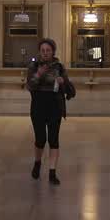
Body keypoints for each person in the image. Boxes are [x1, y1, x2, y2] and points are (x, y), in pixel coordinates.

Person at [26, 39, 68, 184]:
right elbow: (29, 86)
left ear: (53, 51)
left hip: (55, 107)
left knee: (54, 139)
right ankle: (37, 163)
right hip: (38, 106)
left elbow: (68, 88)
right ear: (40, 51)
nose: (45, 53)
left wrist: (63, 82)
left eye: (48, 50)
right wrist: (38, 74)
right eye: (42, 50)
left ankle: (52, 172)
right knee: (40, 139)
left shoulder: (59, 67)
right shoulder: (33, 66)